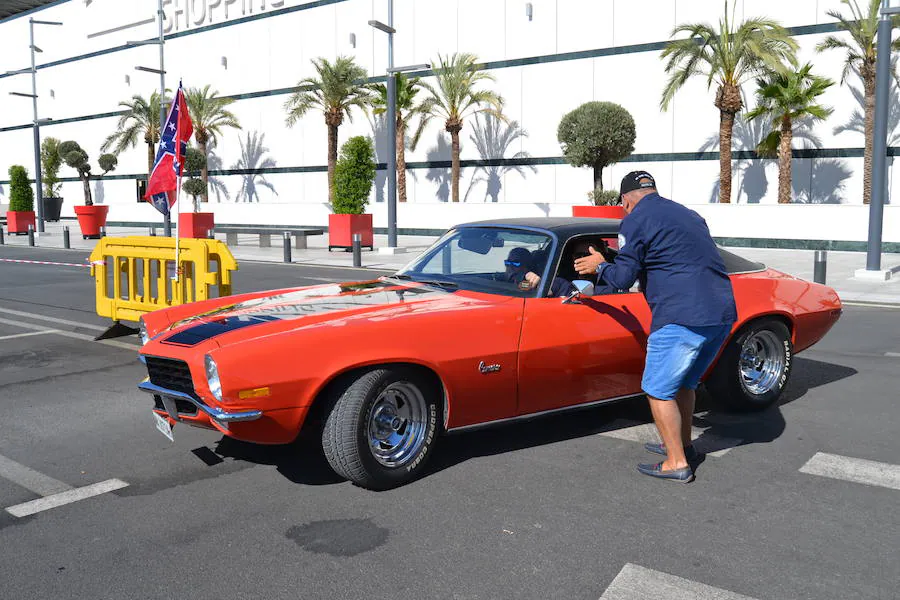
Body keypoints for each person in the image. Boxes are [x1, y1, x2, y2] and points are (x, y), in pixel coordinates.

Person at [575, 171, 737, 483]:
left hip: (680, 316)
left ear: (625, 201)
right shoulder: (689, 215)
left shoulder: (635, 219)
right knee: (685, 384)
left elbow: (622, 280)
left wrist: (600, 265)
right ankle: (684, 446)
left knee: (657, 390)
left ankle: (676, 462)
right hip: (721, 312)